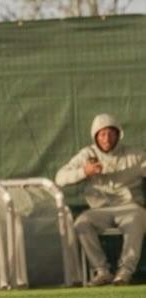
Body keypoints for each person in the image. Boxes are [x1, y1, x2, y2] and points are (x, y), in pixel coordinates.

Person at [55, 114, 146, 286]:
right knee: (82, 223)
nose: (107, 138)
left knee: (135, 220)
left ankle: (125, 272)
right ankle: (102, 271)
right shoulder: (87, 155)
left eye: (111, 133)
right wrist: (84, 171)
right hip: (99, 210)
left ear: (118, 134)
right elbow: (60, 178)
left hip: (131, 207)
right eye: (102, 134)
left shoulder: (135, 155)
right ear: (95, 136)